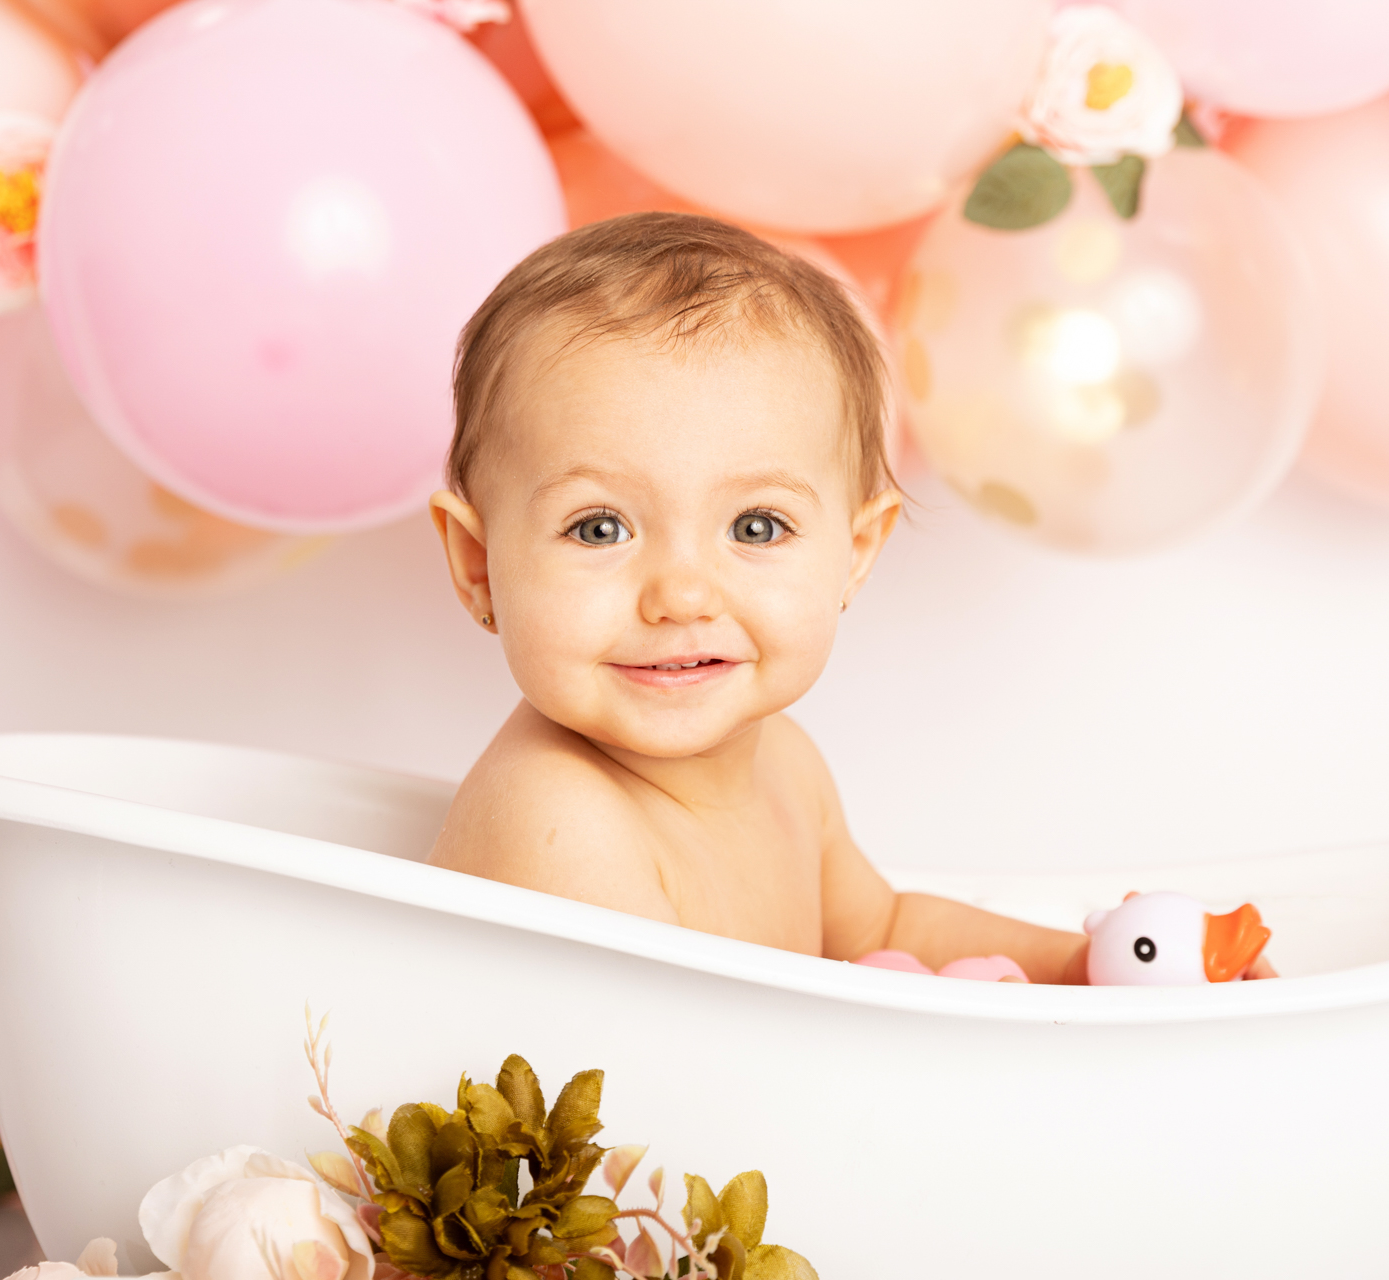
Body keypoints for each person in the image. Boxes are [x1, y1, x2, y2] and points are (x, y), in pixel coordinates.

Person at [430, 211, 1275, 986]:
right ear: (477, 564)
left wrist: (1089, 967)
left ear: (856, 554)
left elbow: (882, 927)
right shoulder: (559, 821)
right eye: (599, 528)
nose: (681, 595)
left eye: (756, 527)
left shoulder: (784, 764)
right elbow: (668, 1069)